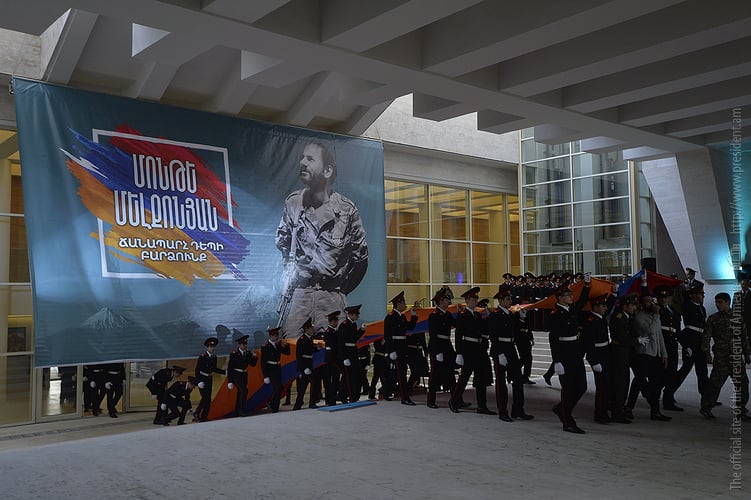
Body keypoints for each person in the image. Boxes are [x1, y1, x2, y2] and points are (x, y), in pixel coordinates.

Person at [276, 141, 368, 338]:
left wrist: (339, 289)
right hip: (302, 294)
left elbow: (361, 260)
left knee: (337, 345)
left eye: (310, 159)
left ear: (327, 171)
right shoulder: (294, 203)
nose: (302, 162)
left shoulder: (346, 210)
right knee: (292, 342)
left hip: (332, 297)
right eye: (302, 157)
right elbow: (283, 244)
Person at [548, 275, 591, 434]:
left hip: (575, 352)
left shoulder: (571, 309)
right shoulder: (555, 314)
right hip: (564, 354)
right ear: (560, 298)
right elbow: (553, 339)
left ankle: (561, 409)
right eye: (568, 295)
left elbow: (582, 301)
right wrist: (557, 361)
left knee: (582, 386)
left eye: (571, 294)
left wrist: (586, 285)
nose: (571, 297)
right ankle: (567, 422)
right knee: (567, 389)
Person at [700, 293, 751, 420]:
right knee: (714, 384)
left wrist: (747, 354)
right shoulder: (713, 319)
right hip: (721, 358)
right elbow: (706, 337)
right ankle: (706, 408)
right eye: (716, 302)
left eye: (720, 302)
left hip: (736, 358)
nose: (717, 305)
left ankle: (741, 410)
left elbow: (744, 337)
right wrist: (707, 353)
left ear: (727, 302)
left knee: (742, 384)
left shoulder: (738, 318)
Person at [626, 290, 671, 421]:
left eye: (652, 300)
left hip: (655, 353)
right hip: (643, 353)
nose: (651, 303)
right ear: (641, 303)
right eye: (647, 301)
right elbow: (650, 331)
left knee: (656, 382)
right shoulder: (639, 317)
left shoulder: (653, 316)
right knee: (639, 381)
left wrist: (664, 353)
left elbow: (659, 335)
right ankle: (629, 407)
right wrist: (656, 315)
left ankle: (655, 411)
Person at [488, 288, 532, 422]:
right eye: (507, 299)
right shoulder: (495, 315)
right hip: (500, 349)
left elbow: (516, 331)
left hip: (511, 349)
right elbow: (493, 335)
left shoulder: (511, 315)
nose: (510, 301)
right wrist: (499, 353)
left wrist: (522, 319)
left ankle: (518, 409)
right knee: (501, 383)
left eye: (510, 299)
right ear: (500, 300)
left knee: (518, 380)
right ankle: (503, 411)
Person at [449, 287, 494, 415]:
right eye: (473, 299)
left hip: (478, 349)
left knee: (481, 379)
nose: (475, 301)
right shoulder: (463, 316)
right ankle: (454, 401)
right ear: (467, 301)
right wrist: (459, 353)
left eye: (476, 299)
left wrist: (490, 318)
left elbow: (485, 330)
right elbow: (458, 335)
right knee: (464, 377)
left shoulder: (477, 315)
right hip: (468, 349)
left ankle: (482, 405)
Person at [581, 293, 615, 424]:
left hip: (605, 353)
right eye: (602, 306)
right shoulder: (590, 321)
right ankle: (600, 413)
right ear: (595, 307)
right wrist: (594, 361)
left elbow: (609, 306)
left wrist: (614, 294)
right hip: (598, 356)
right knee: (602, 387)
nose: (605, 308)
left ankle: (605, 410)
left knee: (607, 385)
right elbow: (588, 343)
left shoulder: (600, 317)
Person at [672, 285, 709, 399]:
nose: (702, 296)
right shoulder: (687, 306)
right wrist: (686, 345)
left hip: (700, 341)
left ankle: (706, 396)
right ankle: (669, 391)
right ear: (693, 295)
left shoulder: (702, 308)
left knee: (702, 371)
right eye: (700, 294)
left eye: (702, 294)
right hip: (691, 340)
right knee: (685, 369)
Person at [383, 291, 419, 406]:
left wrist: (414, 317)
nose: (405, 304)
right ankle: (405, 398)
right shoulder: (390, 317)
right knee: (400, 374)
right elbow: (388, 336)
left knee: (399, 373)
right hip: (396, 348)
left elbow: (410, 327)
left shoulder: (402, 317)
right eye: (404, 302)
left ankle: (386, 391)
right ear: (398, 304)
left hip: (403, 347)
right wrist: (391, 351)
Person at [426, 286, 457, 409]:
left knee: (450, 373)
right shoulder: (433, 316)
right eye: (446, 300)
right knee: (435, 375)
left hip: (447, 346)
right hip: (437, 347)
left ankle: (456, 399)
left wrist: (461, 314)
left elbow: (456, 324)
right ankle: (431, 400)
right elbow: (433, 335)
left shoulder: (447, 314)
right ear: (440, 301)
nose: (448, 302)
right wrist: (438, 351)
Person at [609, 294, 639, 423]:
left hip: (625, 353)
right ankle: (617, 412)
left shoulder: (628, 317)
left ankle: (619, 409)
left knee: (624, 382)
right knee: (620, 384)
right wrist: (636, 341)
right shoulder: (619, 317)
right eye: (632, 305)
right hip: (619, 352)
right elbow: (622, 338)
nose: (634, 308)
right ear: (625, 306)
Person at [655, 285, 684, 412]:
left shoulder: (673, 310)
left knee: (671, 374)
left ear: (670, 298)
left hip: (672, 346)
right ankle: (654, 399)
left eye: (666, 297)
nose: (664, 300)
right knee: (661, 375)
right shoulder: (656, 310)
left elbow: (677, 330)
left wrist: (685, 345)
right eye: (661, 297)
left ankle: (668, 398)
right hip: (662, 346)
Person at [338, 304, 366, 403]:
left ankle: (354, 396)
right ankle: (346, 396)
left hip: (353, 352)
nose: (358, 316)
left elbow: (354, 338)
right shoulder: (344, 325)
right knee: (349, 377)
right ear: (350, 314)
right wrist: (345, 357)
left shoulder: (353, 324)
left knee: (355, 375)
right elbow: (341, 343)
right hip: (348, 353)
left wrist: (361, 330)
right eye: (356, 314)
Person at [194, 336, 227, 422]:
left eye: (213, 347)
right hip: (202, 378)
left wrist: (224, 372)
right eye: (211, 347)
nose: (212, 348)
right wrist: (199, 381)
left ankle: (203, 416)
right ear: (207, 347)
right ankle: (198, 412)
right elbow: (197, 370)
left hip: (209, 378)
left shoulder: (214, 357)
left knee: (208, 398)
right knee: (205, 398)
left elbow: (214, 368)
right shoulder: (203, 356)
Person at [227, 329, 258, 417]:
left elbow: (252, 364)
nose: (245, 345)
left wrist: (254, 357)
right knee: (244, 391)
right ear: (239, 344)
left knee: (240, 392)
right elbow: (230, 368)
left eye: (246, 344)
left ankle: (237, 411)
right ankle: (242, 410)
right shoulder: (234, 354)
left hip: (244, 375)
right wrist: (230, 381)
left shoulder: (247, 353)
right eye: (243, 344)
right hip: (236, 375)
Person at [260, 326, 291, 413]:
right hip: (270, 369)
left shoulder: (278, 345)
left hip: (278, 368)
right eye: (275, 335)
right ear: (271, 336)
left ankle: (275, 406)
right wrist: (265, 375)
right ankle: (271, 403)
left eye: (277, 335)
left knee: (278, 388)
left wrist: (286, 345)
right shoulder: (265, 347)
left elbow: (287, 353)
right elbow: (263, 362)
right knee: (278, 387)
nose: (277, 337)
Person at [294, 317, 321, 410]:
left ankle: (298, 405)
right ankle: (311, 403)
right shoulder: (302, 339)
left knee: (303, 386)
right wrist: (304, 368)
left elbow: (310, 349)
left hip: (309, 364)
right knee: (313, 382)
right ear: (307, 329)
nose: (313, 330)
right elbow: (299, 355)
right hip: (305, 365)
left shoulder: (310, 338)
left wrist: (316, 348)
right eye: (311, 328)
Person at [322, 310, 342, 406]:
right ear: (330, 322)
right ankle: (330, 399)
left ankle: (332, 398)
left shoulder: (335, 331)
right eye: (334, 321)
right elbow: (332, 344)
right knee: (330, 381)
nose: (336, 323)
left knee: (335, 380)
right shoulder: (328, 332)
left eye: (337, 321)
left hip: (335, 358)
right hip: (331, 359)